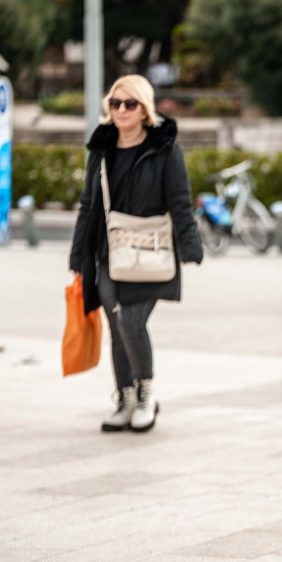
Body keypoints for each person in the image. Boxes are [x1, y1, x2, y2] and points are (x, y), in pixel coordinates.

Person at [70, 75, 203, 433]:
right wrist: (77, 257)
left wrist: (190, 246)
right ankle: (125, 398)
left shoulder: (165, 149)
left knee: (130, 321)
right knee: (116, 326)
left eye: (130, 104)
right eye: (115, 103)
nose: (122, 110)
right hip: (108, 253)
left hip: (151, 252)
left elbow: (180, 201)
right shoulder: (101, 150)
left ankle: (146, 395)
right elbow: (88, 205)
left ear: (144, 110)